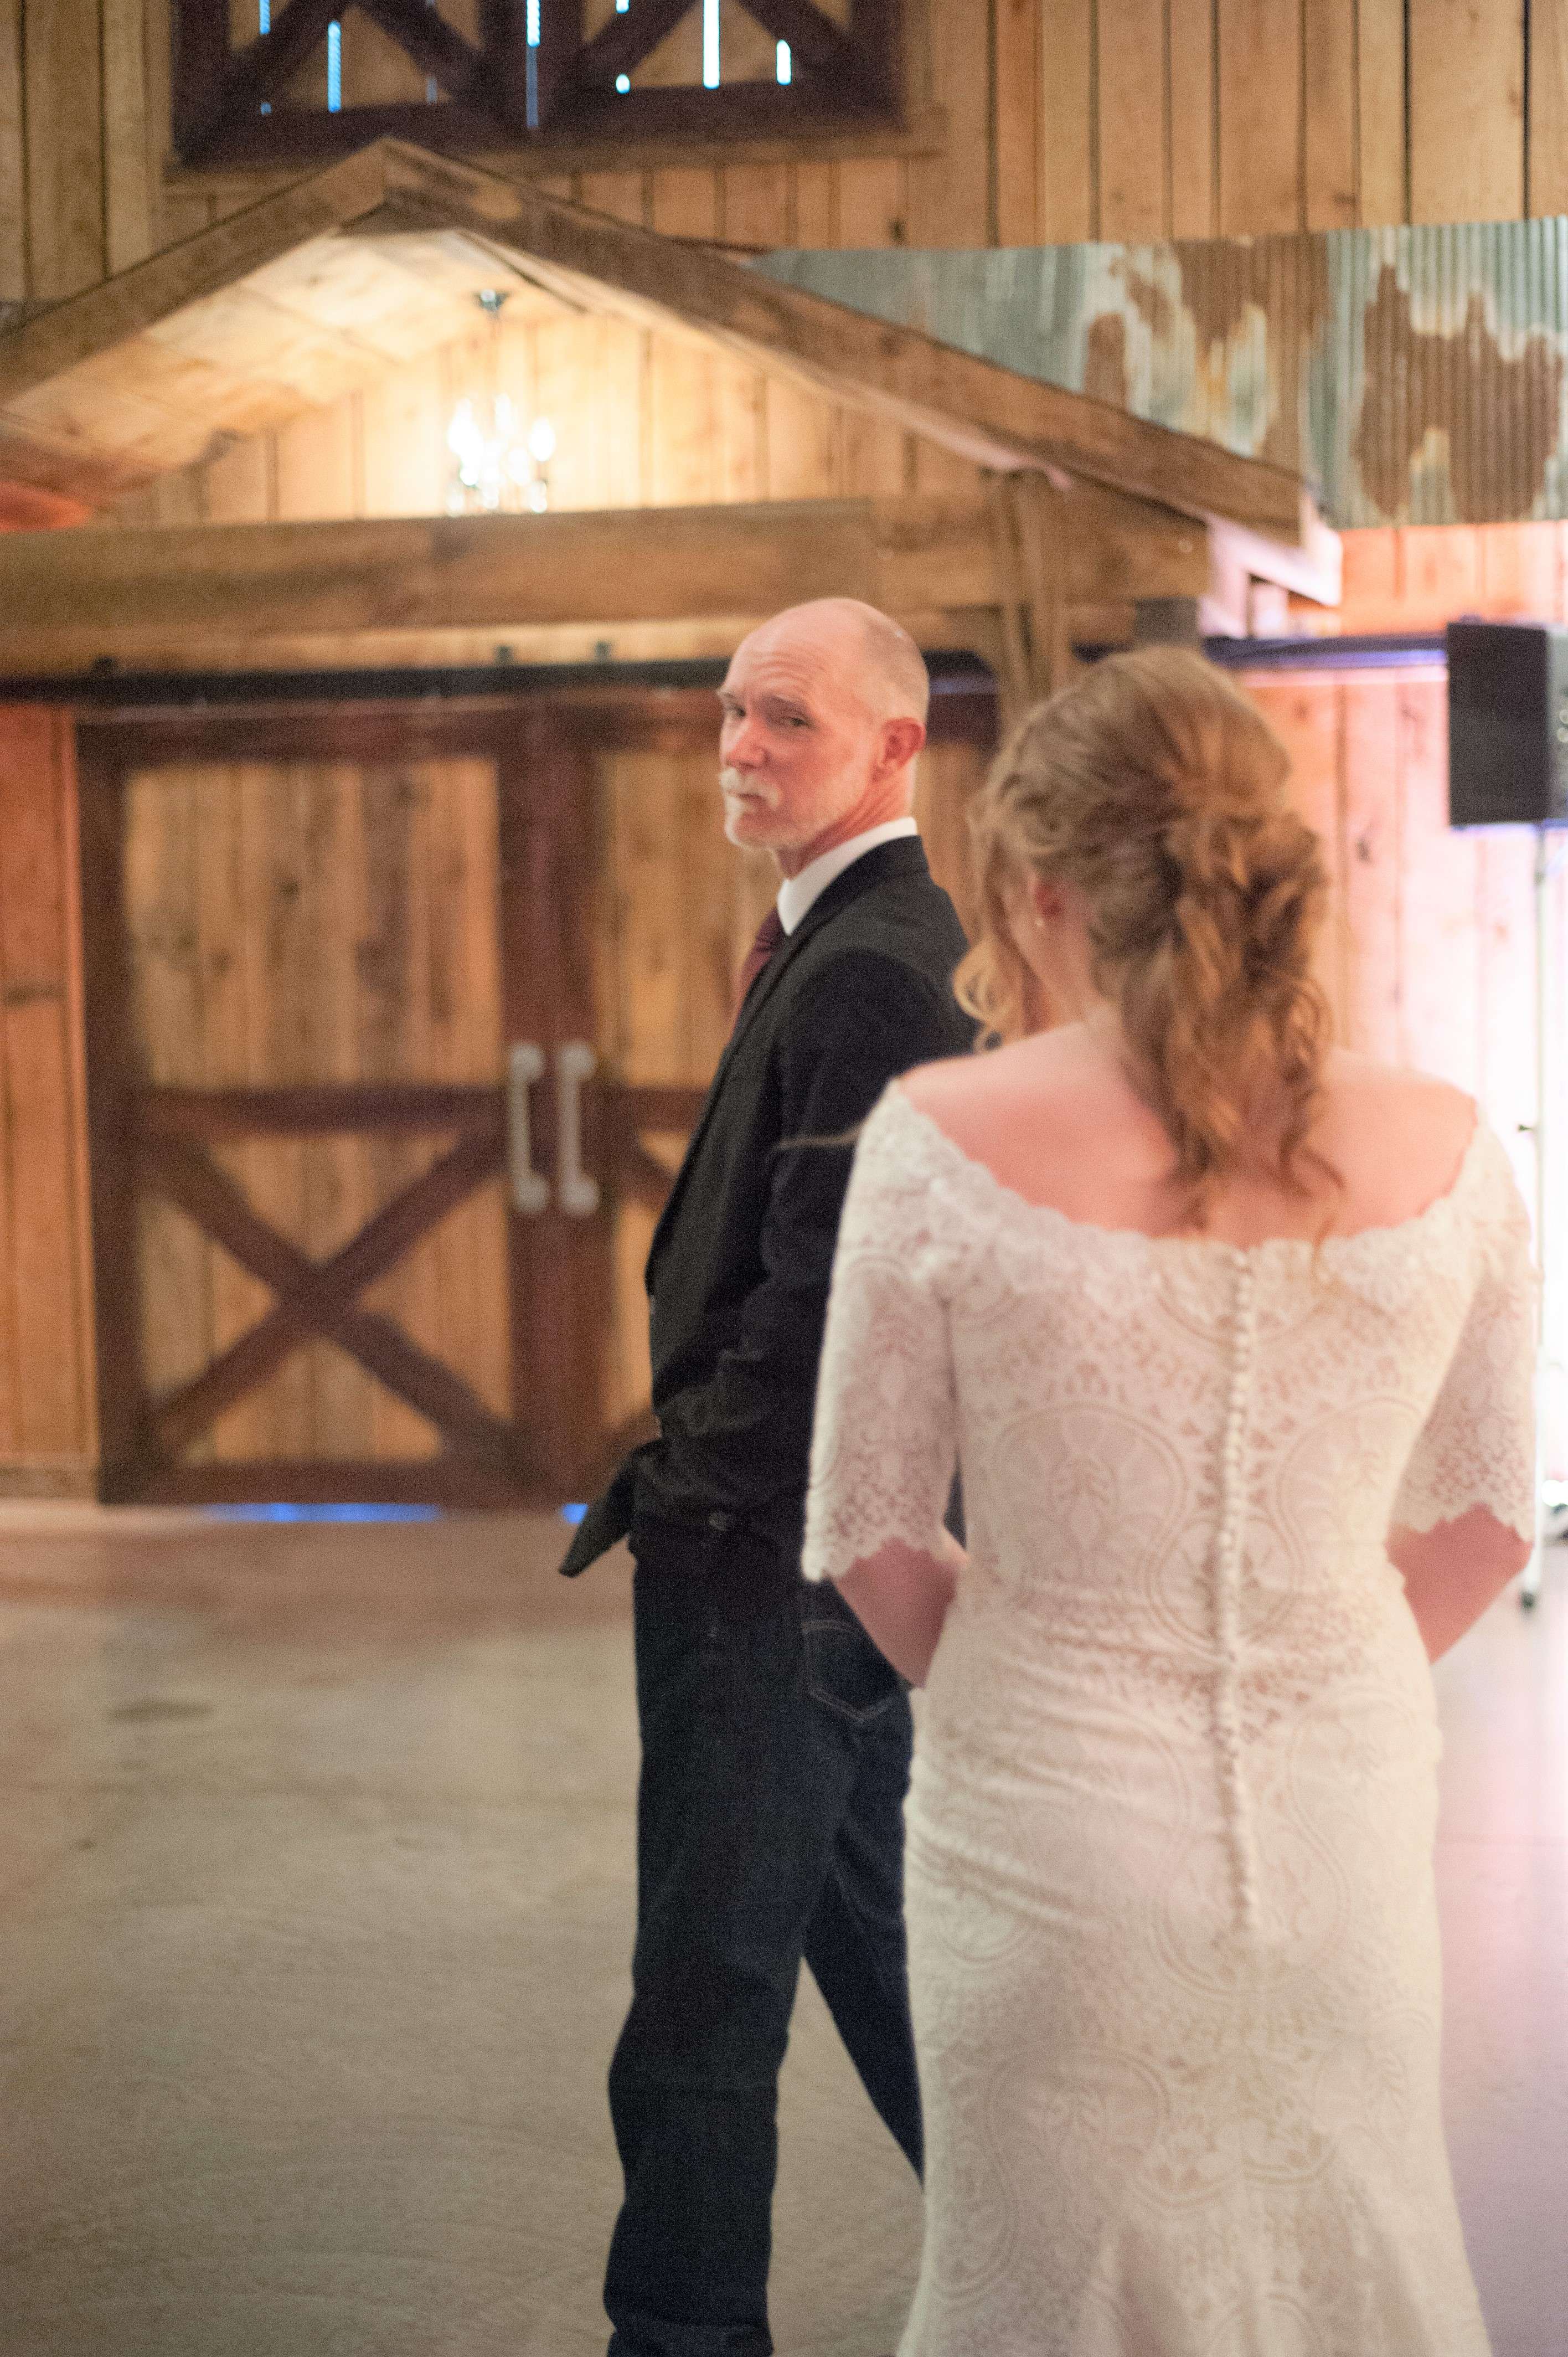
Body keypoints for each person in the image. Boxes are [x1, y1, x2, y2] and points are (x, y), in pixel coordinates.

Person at [802, 646, 1537, 2356]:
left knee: (1047, 2287)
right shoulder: (1446, 1145)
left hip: (1041, 1828)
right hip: (1341, 1825)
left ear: (1046, 889)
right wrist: (1323, 1654)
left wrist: (1027, 1688)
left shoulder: (943, 1131)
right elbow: (1497, 1514)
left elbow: (867, 1526)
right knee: (1347, 2254)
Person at [559, 596, 975, 2356]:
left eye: (787, 718)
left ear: (896, 747)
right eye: (732, 710)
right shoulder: (833, 938)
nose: (741, 745)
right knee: (872, 1955)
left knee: (705, 2001)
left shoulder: (877, 961)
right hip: (796, 1559)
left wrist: (691, 1490)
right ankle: (1067, 2238)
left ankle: (680, 2335)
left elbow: (828, 1320)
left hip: (771, 1569)